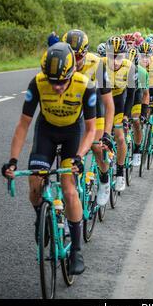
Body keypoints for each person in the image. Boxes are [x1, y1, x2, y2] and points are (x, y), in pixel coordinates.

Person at [2, 42, 97, 275]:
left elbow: (91, 129)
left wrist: (79, 156)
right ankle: (40, 216)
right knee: (35, 182)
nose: (56, 87)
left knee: (69, 190)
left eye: (62, 82)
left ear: (73, 72)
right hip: (46, 132)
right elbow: (24, 124)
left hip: (72, 135)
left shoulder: (86, 86)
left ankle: (76, 249)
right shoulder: (37, 83)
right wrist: (13, 160)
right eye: (53, 82)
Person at [62, 29, 114, 207]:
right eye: (71, 56)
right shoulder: (62, 62)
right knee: (70, 155)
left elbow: (109, 103)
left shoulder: (96, 63)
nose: (74, 61)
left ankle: (105, 180)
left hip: (95, 108)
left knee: (97, 147)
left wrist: (107, 133)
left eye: (78, 56)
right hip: (74, 111)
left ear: (85, 53)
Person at [102, 35, 137, 192]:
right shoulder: (100, 65)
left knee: (120, 136)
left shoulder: (130, 67)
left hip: (119, 103)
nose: (115, 61)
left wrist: (126, 117)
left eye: (119, 57)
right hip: (102, 104)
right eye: (111, 57)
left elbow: (131, 95)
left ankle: (120, 173)